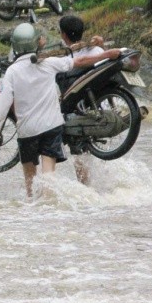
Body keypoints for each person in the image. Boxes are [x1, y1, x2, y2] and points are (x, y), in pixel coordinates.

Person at [0, 23, 121, 198]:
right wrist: (106, 54)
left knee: (30, 182)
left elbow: (2, 104)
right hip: (51, 127)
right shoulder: (49, 63)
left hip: (27, 131)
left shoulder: (12, 71)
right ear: (36, 43)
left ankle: (32, 209)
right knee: (48, 176)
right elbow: (79, 61)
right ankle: (49, 210)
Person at [57, 15, 105, 185]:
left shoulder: (62, 59)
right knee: (84, 153)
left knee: (79, 153)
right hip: (94, 107)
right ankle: (88, 187)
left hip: (73, 113)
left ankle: (85, 189)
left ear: (63, 35)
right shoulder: (97, 51)